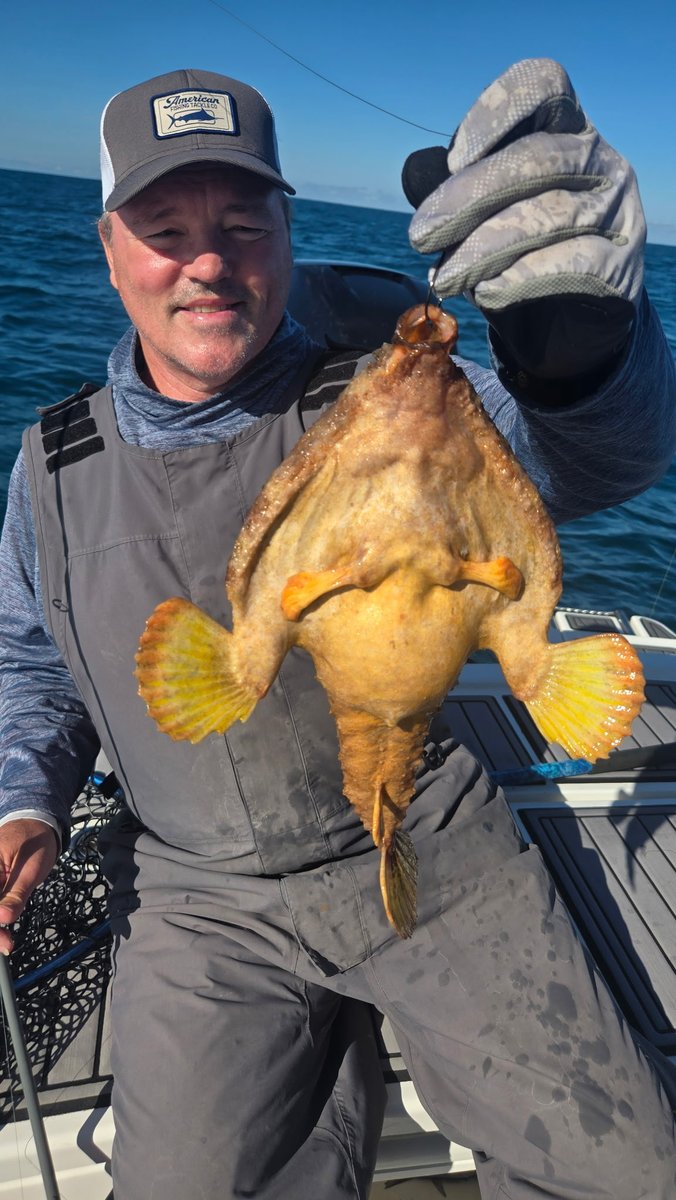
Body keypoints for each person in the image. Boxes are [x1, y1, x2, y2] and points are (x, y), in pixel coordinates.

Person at [0, 60, 675, 1200]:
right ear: (109, 247)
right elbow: (33, 661)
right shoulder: (53, 463)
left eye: (243, 223)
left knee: (626, 1173)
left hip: (439, 840)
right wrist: (24, 799)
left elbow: (593, 453)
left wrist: (584, 349)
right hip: (195, 894)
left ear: (287, 233)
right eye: (165, 227)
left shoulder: (393, 386)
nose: (208, 261)